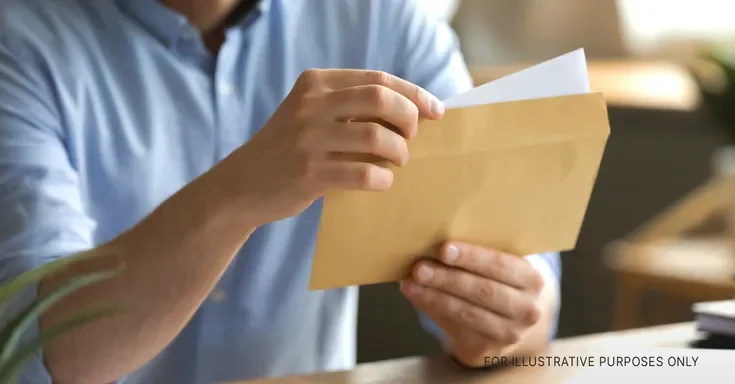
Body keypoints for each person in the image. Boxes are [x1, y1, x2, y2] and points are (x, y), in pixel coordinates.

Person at [0, 0, 562, 383]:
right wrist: (240, 189)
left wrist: (506, 321)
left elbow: (523, 291)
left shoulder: (380, 17)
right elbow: (40, 355)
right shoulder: (18, 40)